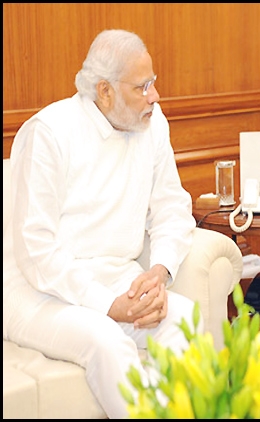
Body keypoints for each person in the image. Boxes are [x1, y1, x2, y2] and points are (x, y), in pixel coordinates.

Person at [4, 29, 202, 418]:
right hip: (37, 291)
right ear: (104, 91)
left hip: (119, 279)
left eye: (154, 83)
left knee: (186, 323)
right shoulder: (49, 132)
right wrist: (108, 305)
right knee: (107, 341)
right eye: (142, 87)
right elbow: (37, 250)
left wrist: (158, 273)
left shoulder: (152, 121)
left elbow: (171, 206)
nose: (154, 96)